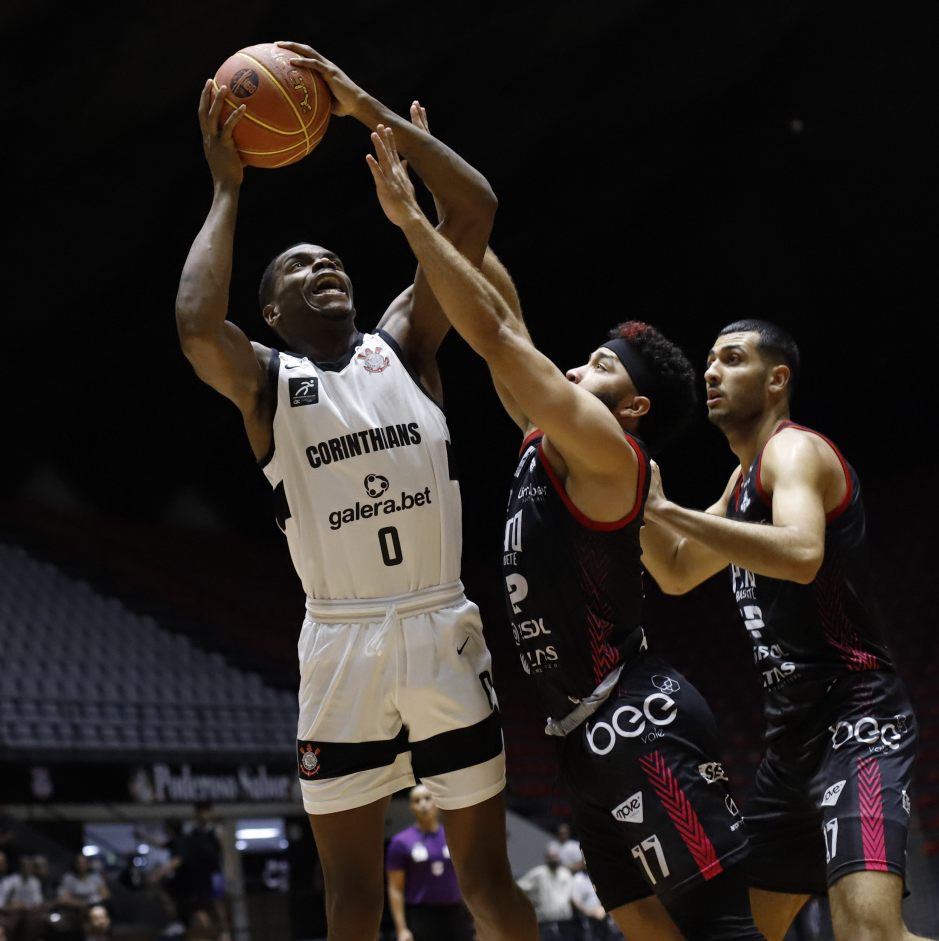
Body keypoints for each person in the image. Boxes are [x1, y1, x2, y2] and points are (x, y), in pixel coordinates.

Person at [364, 125, 765, 940]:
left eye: (599, 365)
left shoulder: (611, 452)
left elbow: (498, 339)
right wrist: (457, 215)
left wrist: (417, 225)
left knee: (723, 924)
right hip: (581, 736)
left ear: (633, 408)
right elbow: (503, 309)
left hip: (635, 719)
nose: (576, 370)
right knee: (644, 928)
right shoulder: (558, 445)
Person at [175, 42, 536, 941]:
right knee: (348, 896)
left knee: (487, 877)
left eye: (330, 257)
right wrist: (226, 188)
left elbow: (475, 208)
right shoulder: (265, 382)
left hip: (438, 624)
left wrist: (359, 105)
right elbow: (192, 325)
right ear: (271, 312)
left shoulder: (405, 344)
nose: (322, 266)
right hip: (339, 643)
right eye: (297, 268)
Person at [638, 320, 925, 941]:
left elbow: (800, 552)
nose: (711, 372)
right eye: (708, 361)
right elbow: (678, 571)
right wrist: (625, 499)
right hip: (791, 743)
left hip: (857, 720)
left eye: (731, 359)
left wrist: (665, 511)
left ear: (776, 379)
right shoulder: (741, 482)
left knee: (869, 933)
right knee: (747, 929)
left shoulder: (794, 451)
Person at [385, 784, 473, 941]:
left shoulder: (454, 836)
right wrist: (401, 929)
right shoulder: (401, 842)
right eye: (416, 801)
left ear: (436, 802)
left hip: (456, 914)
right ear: (411, 807)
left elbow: (467, 879)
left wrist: (477, 920)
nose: (423, 804)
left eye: (427, 798)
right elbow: (395, 889)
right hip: (421, 915)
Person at [518, 843, 575, 940]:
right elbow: (520, 887)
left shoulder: (565, 873)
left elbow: (572, 895)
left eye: (555, 856)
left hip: (565, 921)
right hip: (545, 922)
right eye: (551, 856)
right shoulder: (538, 873)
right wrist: (530, 902)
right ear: (546, 858)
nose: (554, 859)